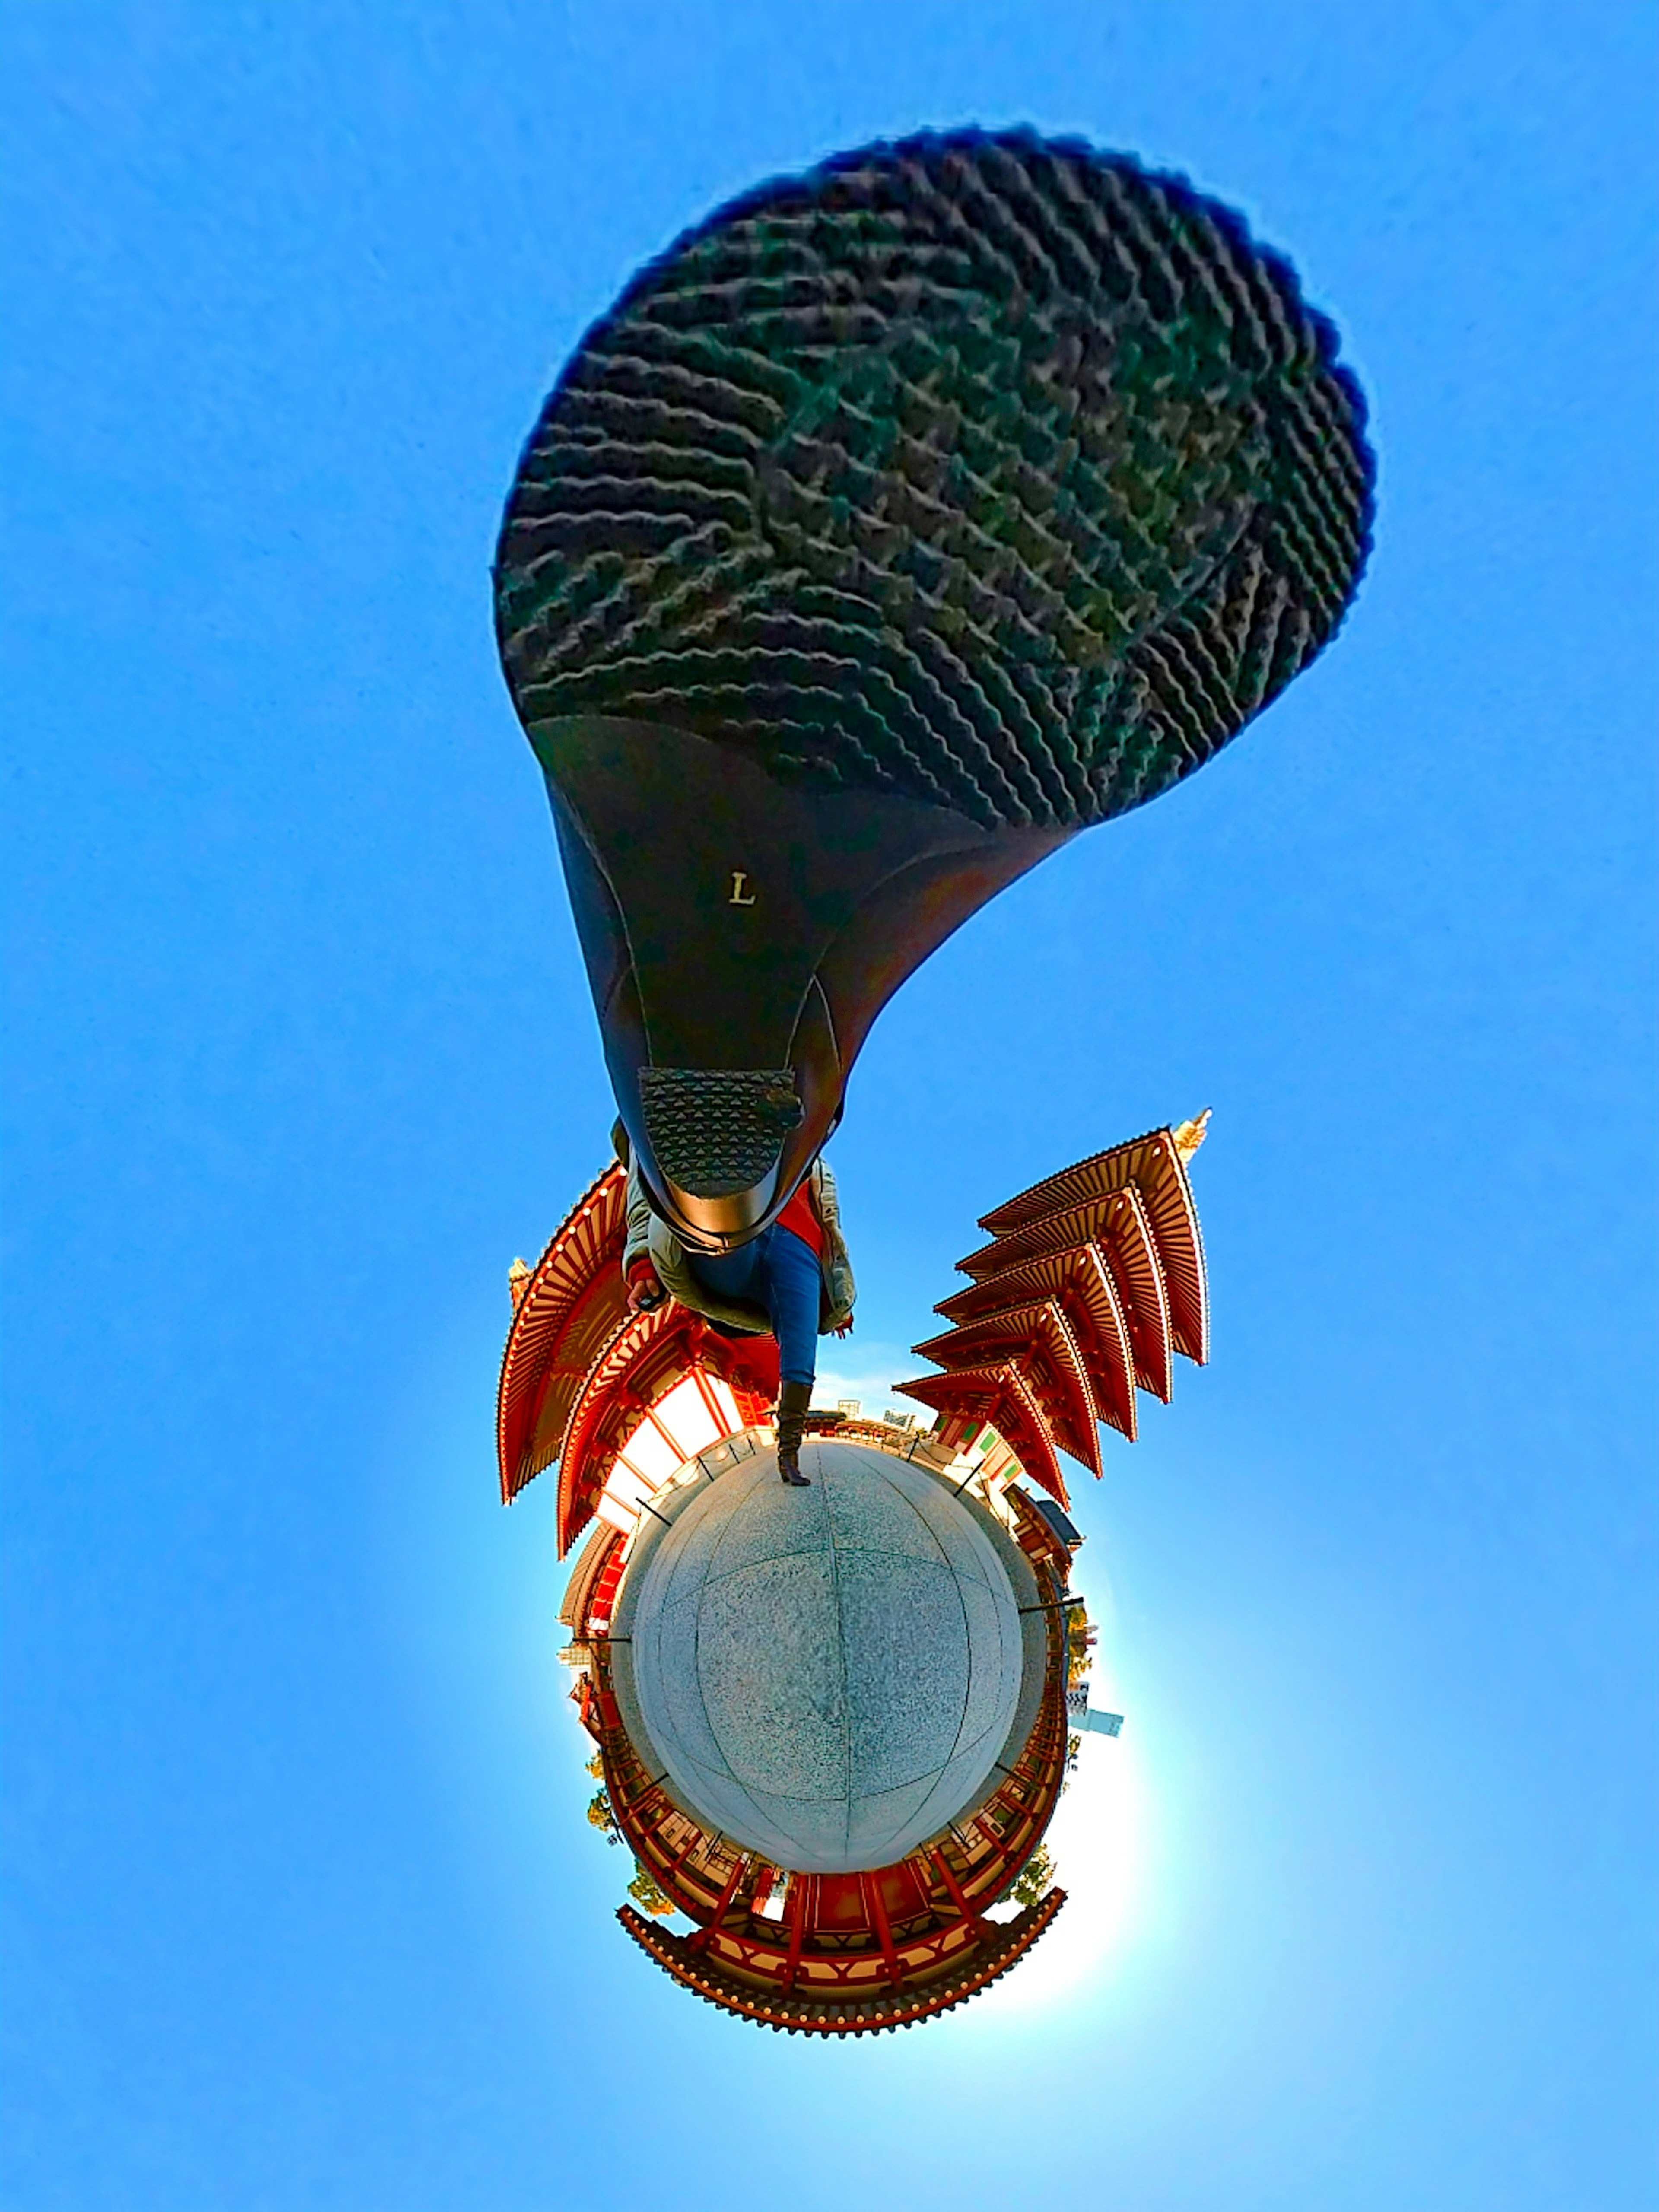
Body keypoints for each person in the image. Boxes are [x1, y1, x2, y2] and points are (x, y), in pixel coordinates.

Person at [619, 1129, 855, 1487]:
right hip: (737, 1215)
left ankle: (788, 1452)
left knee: (801, 1356)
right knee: (713, 1221)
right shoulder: (654, 1129)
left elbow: (832, 1226)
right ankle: (704, 1208)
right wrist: (643, 1263)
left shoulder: (819, 1162)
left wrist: (838, 1296)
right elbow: (643, 1188)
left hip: (803, 1247)